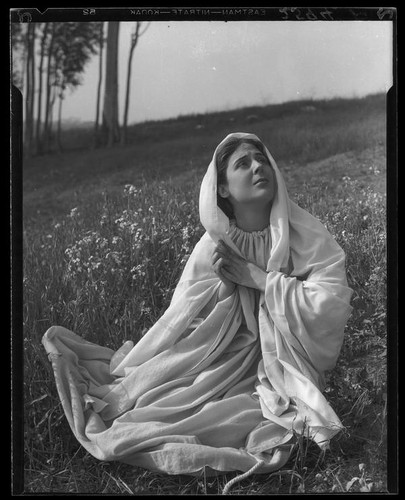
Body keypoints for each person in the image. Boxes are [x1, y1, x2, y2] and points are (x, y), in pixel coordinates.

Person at [42, 132, 353, 479]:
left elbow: (331, 303)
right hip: (222, 359)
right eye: (243, 163)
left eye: (262, 159)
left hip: (283, 361)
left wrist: (260, 279)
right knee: (176, 407)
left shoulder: (304, 232)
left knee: (255, 417)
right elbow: (182, 319)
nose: (258, 167)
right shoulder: (216, 246)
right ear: (222, 189)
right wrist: (225, 295)